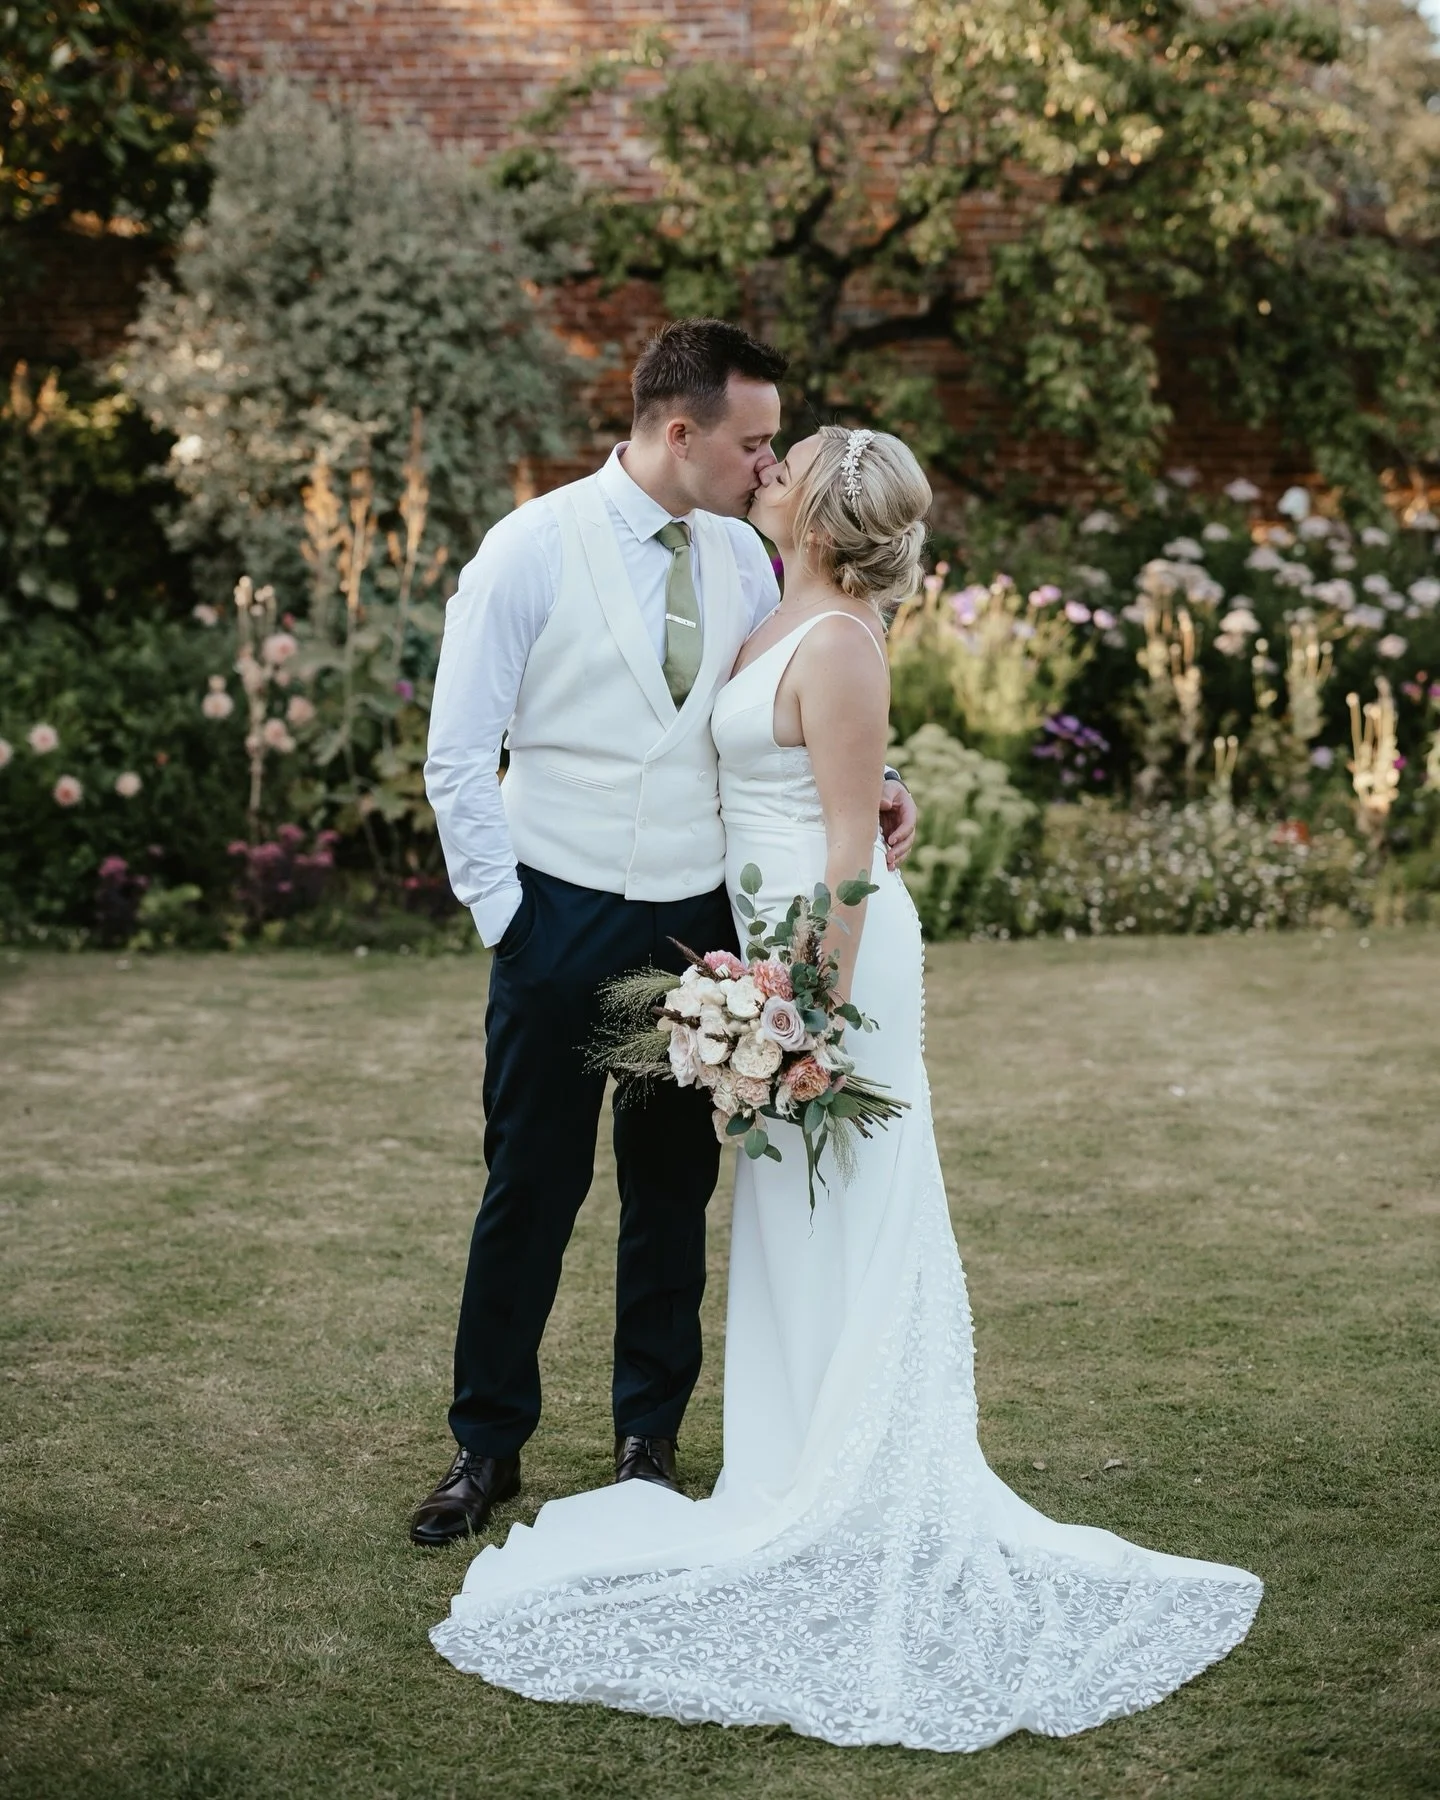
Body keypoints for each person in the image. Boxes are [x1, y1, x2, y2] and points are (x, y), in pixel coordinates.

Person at [429, 426, 1263, 1753]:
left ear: (815, 504)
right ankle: (784, 1457)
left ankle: (860, 1475)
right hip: (754, 951)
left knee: (847, 1205)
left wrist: (799, 1011)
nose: (766, 464)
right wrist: (867, 805)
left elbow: (843, 854)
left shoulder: (835, 635)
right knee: (778, 1217)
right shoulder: (774, 603)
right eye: (762, 444)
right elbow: (824, 779)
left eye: (787, 456)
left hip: (827, 973)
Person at [414, 322, 918, 1546]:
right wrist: (511, 923)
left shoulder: (750, 560)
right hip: (557, 910)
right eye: (754, 440)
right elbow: (455, 756)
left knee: (672, 1192)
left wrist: (882, 780)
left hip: (702, 930)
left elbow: (785, 709)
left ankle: (650, 1440)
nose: (768, 461)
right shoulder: (531, 549)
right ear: (677, 431)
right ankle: (486, 1447)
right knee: (529, 1185)